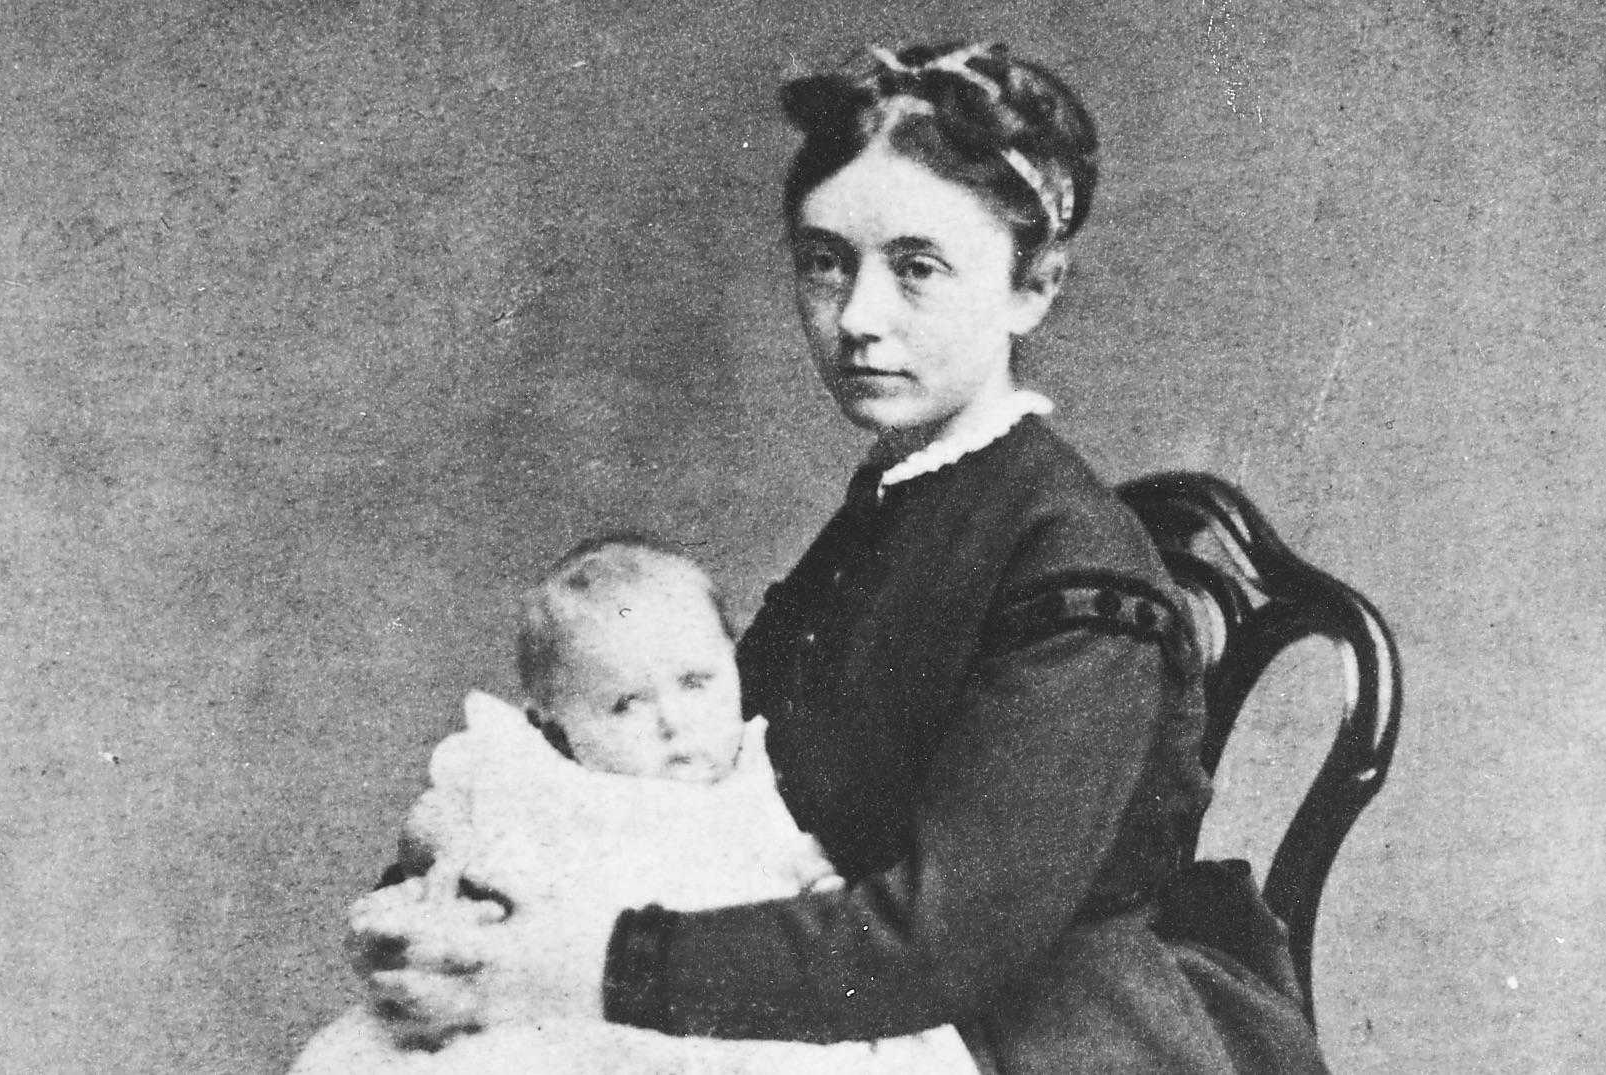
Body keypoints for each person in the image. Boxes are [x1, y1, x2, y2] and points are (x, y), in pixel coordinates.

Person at [350, 41, 1331, 1073]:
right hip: (841, 981)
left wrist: (583, 964)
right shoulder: (899, 505)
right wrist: (457, 896)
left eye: (916, 268)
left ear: (1032, 287)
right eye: (825, 262)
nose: (858, 317)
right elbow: (704, 769)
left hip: (1034, 1030)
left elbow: (939, 939)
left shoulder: (1075, 566)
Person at [296, 538, 976, 1074]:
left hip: (711, 1013)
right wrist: (434, 876)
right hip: (555, 1018)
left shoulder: (755, 776)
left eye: (695, 681)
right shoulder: (546, 781)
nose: (673, 721)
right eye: (625, 704)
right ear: (556, 721)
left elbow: (812, 895)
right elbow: (446, 842)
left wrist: (817, 882)